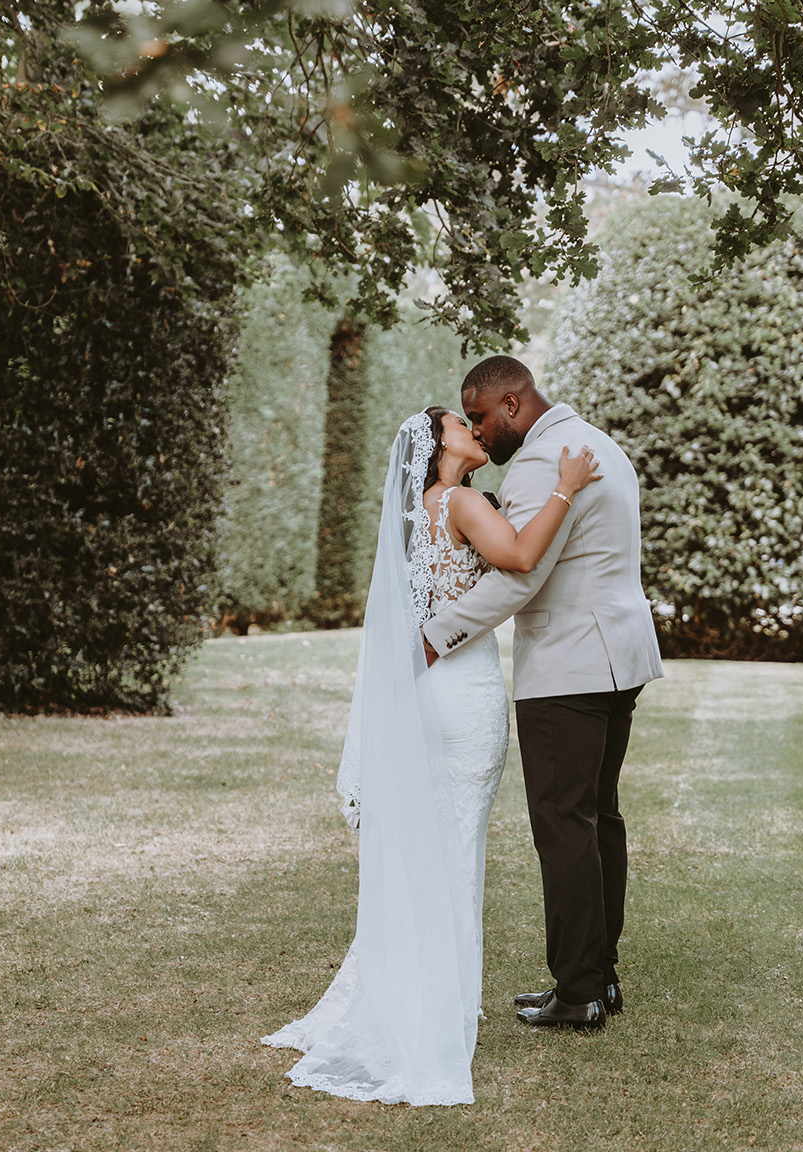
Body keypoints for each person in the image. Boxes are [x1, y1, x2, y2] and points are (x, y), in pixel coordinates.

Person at [262, 404, 601, 1105]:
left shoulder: (421, 511)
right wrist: (566, 487)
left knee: (434, 844)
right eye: (460, 426)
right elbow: (520, 557)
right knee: (456, 849)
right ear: (436, 444)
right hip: (463, 692)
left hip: (429, 689)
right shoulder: (462, 501)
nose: (476, 433)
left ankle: (422, 991)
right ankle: (437, 1007)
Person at [422, 355, 664, 1032]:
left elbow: (520, 573)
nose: (479, 431)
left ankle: (578, 990)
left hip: (569, 664)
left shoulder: (537, 463)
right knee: (596, 819)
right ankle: (599, 976)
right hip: (621, 656)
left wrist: (436, 634)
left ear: (511, 405)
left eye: (479, 417)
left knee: (563, 825)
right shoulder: (599, 444)